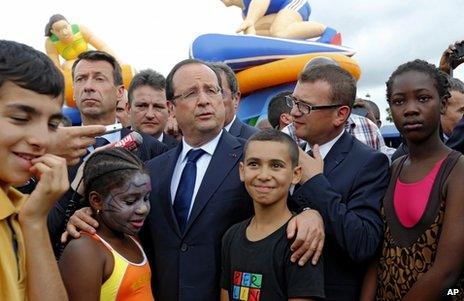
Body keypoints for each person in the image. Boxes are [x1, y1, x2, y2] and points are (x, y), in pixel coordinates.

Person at [66, 58, 324, 300]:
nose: (204, 101)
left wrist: (311, 213)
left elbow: (288, 209)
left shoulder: (254, 159)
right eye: (191, 93)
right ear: (171, 108)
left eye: (212, 91)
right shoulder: (152, 170)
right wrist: (89, 214)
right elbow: (125, 225)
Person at [361, 59, 464, 300]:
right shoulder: (394, 168)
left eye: (423, 98)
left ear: (443, 104)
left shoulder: (457, 170)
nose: (410, 109)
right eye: (399, 101)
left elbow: (446, 272)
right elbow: (378, 255)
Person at [48, 50, 167, 256]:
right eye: (81, 79)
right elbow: (44, 229)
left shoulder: (151, 148)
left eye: (99, 78)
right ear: (74, 92)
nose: (88, 86)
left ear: (120, 92)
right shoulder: (54, 154)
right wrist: (72, 212)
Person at [288, 64, 390, 300]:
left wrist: (315, 182)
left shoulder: (369, 163)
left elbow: (362, 243)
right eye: (293, 101)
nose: (294, 112)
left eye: (305, 106)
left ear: (341, 114)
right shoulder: (287, 154)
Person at [0, 40, 69, 300]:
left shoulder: (21, 208)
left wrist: (35, 221)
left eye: (53, 124)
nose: (41, 138)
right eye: (20, 118)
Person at [220, 129, 325, 301]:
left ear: (296, 174)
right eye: (254, 164)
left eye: (276, 165)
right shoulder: (231, 236)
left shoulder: (300, 239)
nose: (263, 175)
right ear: (242, 170)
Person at [59, 148, 153, 300]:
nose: (143, 208)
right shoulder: (85, 250)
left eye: (146, 198)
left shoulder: (131, 236)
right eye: (130, 201)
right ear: (96, 201)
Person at [44, 14, 118, 72]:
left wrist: (117, 61)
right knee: (69, 68)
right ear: (53, 32)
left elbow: (102, 46)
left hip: (90, 56)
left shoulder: (80, 29)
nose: (64, 33)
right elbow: (55, 66)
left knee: (102, 61)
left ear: (69, 25)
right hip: (71, 63)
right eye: (58, 30)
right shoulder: (51, 42)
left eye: (65, 27)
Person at [221, 0, 326, 40]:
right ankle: (298, 41)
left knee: (279, 32)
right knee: (258, 31)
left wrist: (250, 21)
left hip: (294, 3)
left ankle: (326, 31)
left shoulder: (249, 7)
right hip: (279, 13)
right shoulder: (245, 13)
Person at [126, 69, 178, 149]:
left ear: (169, 110)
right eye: (142, 106)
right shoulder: (111, 146)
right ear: (128, 108)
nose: (150, 115)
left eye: (158, 107)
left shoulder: (181, 154)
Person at [209, 62, 259, 139]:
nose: (205, 101)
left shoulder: (256, 141)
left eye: (217, 92)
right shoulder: (188, 140)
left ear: (236, 99)